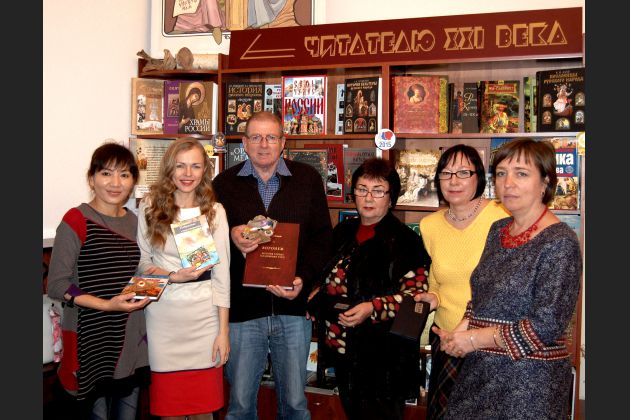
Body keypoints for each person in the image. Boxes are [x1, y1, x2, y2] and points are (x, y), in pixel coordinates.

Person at [435, 138, 582, 419]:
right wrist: (460, 330)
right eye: (501, 173)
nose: (508, 183)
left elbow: (547, 324)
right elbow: (482, 294)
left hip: (529, 386)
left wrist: (474, 339)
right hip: (480, 373)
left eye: (521, 173)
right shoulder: (498, 229)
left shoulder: (560, 242)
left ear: (545, 182)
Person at [212, 111, 333, 420]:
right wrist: (231, 235)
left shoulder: (307, 179)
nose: (263, 144)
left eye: (271, 137)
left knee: (294, 405)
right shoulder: (223, 184)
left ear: (283, 142)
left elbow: (322, 239)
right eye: (255, 137)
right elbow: (207, 243)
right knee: (240, 406)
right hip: (242, 312)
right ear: (244, 143)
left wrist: (303, 280)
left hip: (292, 309)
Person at [311, 158, 432, 420]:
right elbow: (329, 275)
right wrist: (317, 294)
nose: (368, 197)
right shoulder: (343, 231)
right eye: (362, 189)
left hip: (383, 359)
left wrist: (373, 308)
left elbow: (416, 298)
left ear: (391, 197)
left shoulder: (406, 241)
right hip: (343, 351)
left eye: (378, 191)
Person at [47, 142, 150, 419]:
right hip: (90, 339)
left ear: (133, 181)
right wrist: (107, 305)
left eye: (124, 174)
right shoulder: (76, 219)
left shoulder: (136, 222)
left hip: (129, 338)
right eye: (106, 173)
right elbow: (57, 284)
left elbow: (141, 272)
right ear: (91, 179)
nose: (116, 183)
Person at [137, 138, 231, 419]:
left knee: (204, 412)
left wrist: (223, 332)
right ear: (169, 168)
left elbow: (222, 276)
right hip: (163, 319)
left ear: (205, 170)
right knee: (170, 411)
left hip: (205, 321)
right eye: (180, 166)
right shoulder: (150, 206)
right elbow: (143, 263)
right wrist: (173, 276)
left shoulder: (215, 212)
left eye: (195, 166)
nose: (188, 174)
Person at [415, 144, 509, 420]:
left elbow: (507, 286)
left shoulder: (502, 217)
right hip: (446, 339)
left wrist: (469, 331)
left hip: (488, 341)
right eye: (446, 173)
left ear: (478, 177)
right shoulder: (429, 225)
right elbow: (437, 281)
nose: (453, 181)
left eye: (463, 172)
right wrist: (433, 297)